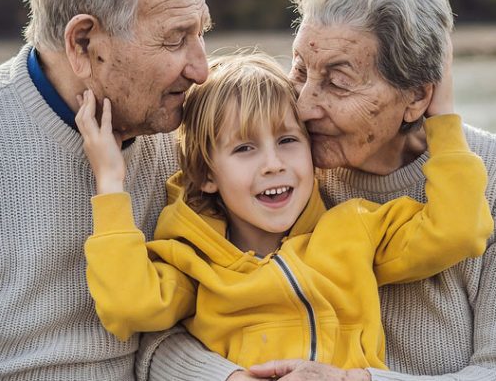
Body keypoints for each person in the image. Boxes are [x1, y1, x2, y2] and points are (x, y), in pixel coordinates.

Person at [76, 52, 491, 375]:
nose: (273, 164)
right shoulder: (193, 261)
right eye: (244, 148)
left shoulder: (355, 229)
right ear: (205, 174)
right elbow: (129, 307)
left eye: (288, 140)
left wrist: (444, 120)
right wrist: (110, 183)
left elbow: (457, 229)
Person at [0, 0, 222, 379]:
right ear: (83, 42)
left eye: (201, 33)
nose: (201, 69)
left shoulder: (181, 133)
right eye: (176, 38)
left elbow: (175, 321)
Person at [245, 0, 496, 381]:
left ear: (417, 97)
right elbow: (169, 336)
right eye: (300, 69)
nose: (303, 107)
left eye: (338, 82)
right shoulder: (271, 170)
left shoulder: (487, 177)